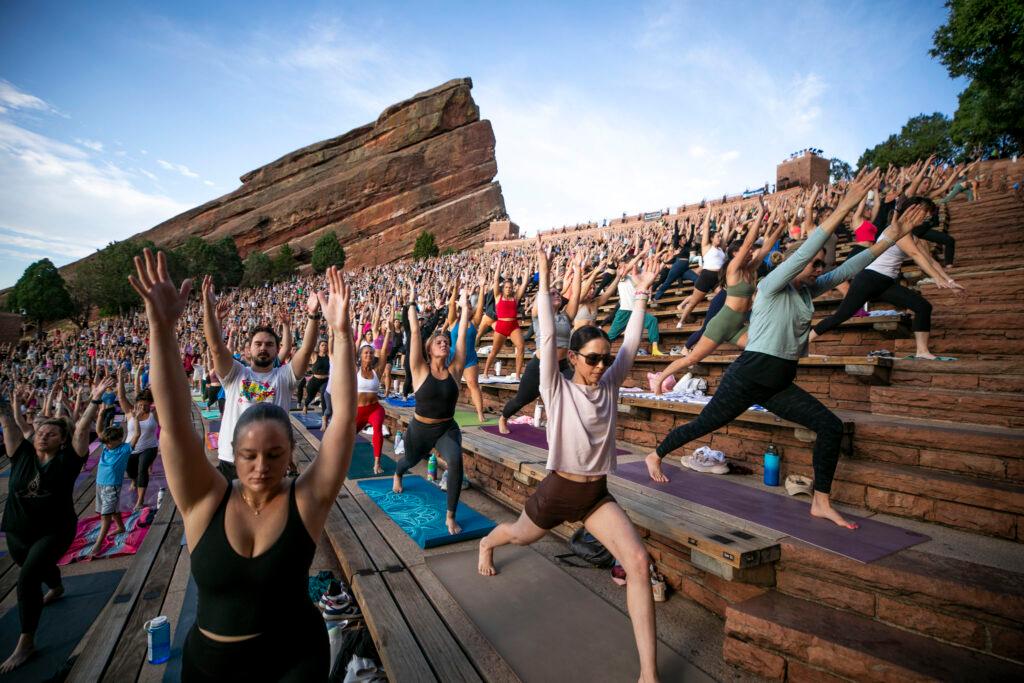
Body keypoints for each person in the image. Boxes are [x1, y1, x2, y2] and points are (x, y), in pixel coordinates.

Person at [645, 170, 926, 529]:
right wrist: (845, 205)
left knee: (830, 427)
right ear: (796, 264)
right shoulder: (773, 283)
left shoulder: (808, 290)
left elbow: (849, 267)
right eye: (814, 265)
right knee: (706, 423)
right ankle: (656, 454)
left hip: (778, 382)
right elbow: (807, 249)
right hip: (748, 376)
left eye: (821, 266)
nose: (819, 269)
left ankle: (821, 501)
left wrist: (891, 237)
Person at [130, 252, 356, 682]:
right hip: (210, 667)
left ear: (291, 453)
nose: (260, 468)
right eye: (249, 456)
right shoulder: (204, 501)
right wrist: (161, 329)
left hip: (295, 659)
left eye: (274, 456)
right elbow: (175, 424)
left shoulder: (306, 500)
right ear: (233, 448)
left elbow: (343, 420)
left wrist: (341, 333)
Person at [478, 235, 661, 683]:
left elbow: (632, 344)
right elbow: (543, 329)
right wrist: (542, 275)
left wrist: (640, 294)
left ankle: (648, 675)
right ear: (574, 358)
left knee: (638, 563)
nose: (601, 366)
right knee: (520, 536)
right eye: (593, 359)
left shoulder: (612, 382)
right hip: (557, 492)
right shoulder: (556, 387)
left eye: (604, 359)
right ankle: (486, 543)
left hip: (596, 494)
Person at [0, 377, 110, 673]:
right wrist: (4, 402)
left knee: (27, 579)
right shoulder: (21, 454)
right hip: (17, 530)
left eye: (51, 433)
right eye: (40, 432)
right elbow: (9, 424)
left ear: (62, 440)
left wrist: (95, 401)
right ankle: (58, 586)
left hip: (55, 529)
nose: (43, 435)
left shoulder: (69, 459)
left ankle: (26, 643)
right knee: (35, 567)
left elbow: (83, 427)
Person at [650, 205, 784, 392]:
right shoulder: (733, 269)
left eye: (753, 250)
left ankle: (754, 387)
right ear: (736, 254)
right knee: (692, 358)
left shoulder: (751, 269)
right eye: (749, 250)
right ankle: (660, 378)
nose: (753, 252)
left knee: (762, 348)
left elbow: (766, 247)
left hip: (738, 326)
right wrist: (761, 214)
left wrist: (780, 226)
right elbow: (747, 243)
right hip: (722, 323)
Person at [201, 275, 321, 481]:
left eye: (269, 344)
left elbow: (307, 348)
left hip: (272, 463)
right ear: (249, 349)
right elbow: (215, 347)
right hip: (233, 460)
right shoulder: (236, 374)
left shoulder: (284, 377)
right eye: (258, 344)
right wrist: (209, 310)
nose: (263, 348)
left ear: (277, 350)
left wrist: (312, 315)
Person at [810, 201, 963, 360]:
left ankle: (922, 351)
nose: (926, 218)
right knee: (841, 316)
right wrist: (937, 278)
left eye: (927, 215)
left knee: (923, 307)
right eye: (923, 214)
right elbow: (916, 256)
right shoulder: (896, 230)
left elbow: (931, 262)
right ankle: (803, 342)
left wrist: (950, 282)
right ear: (911, 212)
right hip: (869, 279)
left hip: (886, 283)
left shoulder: (916, 238)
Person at [394, 283, 471, 535]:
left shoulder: (454, 370)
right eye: (438, 341)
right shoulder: (419, 369)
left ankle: (450, 516)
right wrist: (413, 301)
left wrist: (464, 308)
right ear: (429, 348)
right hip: (420, 429)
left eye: (444, 341)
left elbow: (461, 337)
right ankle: (398, 474)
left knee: (456, 462)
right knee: (409, 461)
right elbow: (415, 332)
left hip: (446, 428)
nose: (443, 343)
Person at [497, 283, 576, 433]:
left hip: (563, 365)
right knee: (522, 399)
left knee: (574, 392)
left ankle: (564, 428)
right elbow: (541, 296)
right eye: (552, 294)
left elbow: (577, 295)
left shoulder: (565, 316)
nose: (557, 295)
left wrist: (578, 270)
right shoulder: (538, 314)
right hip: (540, 366)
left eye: (558, 293)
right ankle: (503, 417)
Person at [117, 368, 160, 512]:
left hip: (150, 447)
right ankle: (133, 481)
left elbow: (163, 398)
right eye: (140, 404)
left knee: (142, 470)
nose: (143, 407)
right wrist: (121, 378)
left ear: (150, 404)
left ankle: (140, 500)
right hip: (131, 447)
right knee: (130, 471)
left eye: (146, 405)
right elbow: (122, 397)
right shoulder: (130, 412)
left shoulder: (155, 413)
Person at [676, 210, 729, 326]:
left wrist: (728, 219)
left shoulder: (721, 248)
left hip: (718, 278)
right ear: (711, 238)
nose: (720, 238)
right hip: (706, 276)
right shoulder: (706, 247)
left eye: (720, 236)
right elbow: (706, 228)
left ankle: (719, 321)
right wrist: (709, 212)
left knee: (724, 298)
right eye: (717, 236)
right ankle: (681, 321)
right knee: (694, 302)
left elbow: (726, 233)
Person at [482, 256, 530, 379]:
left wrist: (526, 267)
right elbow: (495, 280)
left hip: (513, 326)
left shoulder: (516, 297)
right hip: (501, 326)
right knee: (494, 351)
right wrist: (499, 264)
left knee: (521, 346)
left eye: (510, 287)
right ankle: (486, 371)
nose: (509, 289)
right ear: (503, 289)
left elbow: (524, 283)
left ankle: (518, 375)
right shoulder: (498, 296)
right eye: (507, 287)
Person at [446, 277, 486, 423]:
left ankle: (480, 413)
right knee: (451, 386)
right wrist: (456, 288)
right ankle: (448, 412)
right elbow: (451, 305)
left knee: (473, 385)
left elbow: (480, 306)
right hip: (454, 357)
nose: (468, 307)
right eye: (466, 305)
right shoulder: (453, 321)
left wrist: (482, 288)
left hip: (470, 358)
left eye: (469, 305)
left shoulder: (474, 322)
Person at [88, 423, 131, 557]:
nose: (107, 445)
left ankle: (98, 545)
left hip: (112, 486)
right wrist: (100, 412)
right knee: (111, 510)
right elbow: (99, 431)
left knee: (105, 515)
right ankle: (120, 527)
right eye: (105, 443)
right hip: (100, 484)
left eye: (110, 443)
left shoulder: (124, 449)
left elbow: (136, 435)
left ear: (119, 440)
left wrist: (135, 419)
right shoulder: (106, 447)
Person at [356, 313, 391, 475]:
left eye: (371, 353)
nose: (369, 355)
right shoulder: (354, 371)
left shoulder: (377, 371)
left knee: (378, 429)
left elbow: (383, 352)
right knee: (346, 438)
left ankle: (377, 463)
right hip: (357, 411)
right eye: (366, 353)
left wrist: (388, 333)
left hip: (374, 408)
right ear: (360, 356)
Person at [303, 340, 331, 414]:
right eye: (322, 345)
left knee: (323, 396)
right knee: (310, 397)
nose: (324, 347)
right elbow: (308, 347)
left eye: (326, 345)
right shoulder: (314, 355)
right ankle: (305, 405)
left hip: (325, 380)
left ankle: (324, 416)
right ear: (319, 347)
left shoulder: (329, 356)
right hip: (315, 380)